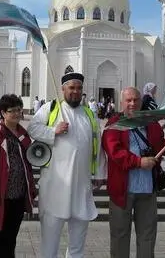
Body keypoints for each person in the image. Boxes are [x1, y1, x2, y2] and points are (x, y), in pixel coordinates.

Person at [27, 72, 107, 258]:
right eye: (71, 88)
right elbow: (33, 128)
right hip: (56, 186)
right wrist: (53, 130)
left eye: (79, 88)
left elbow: (98, 143)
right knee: (50, 241)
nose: (75, 92)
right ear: (63, 89)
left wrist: (100, 172)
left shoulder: (89, 113)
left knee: (78, 242)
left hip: (81, 186)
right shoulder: (51, 108)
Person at [102, 87, 165, 258]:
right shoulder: (114, 125)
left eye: (136, 100)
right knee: (119, 236)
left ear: (141, 101)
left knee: (147, 236)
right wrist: (138, 162)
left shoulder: (151, 124)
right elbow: (114, 152)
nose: (132, 103)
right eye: (128, 100)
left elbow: (161, 149)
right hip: (122, 190)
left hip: (147, 189)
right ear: (121, 102)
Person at [0, 94, 37, 257]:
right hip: (1, 195)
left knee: (10, 239)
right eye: (12, 111)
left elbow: (29, 162)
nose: (17, 114)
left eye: (19, 110)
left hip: (17, 195)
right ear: (3, 113)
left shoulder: (22, 133)